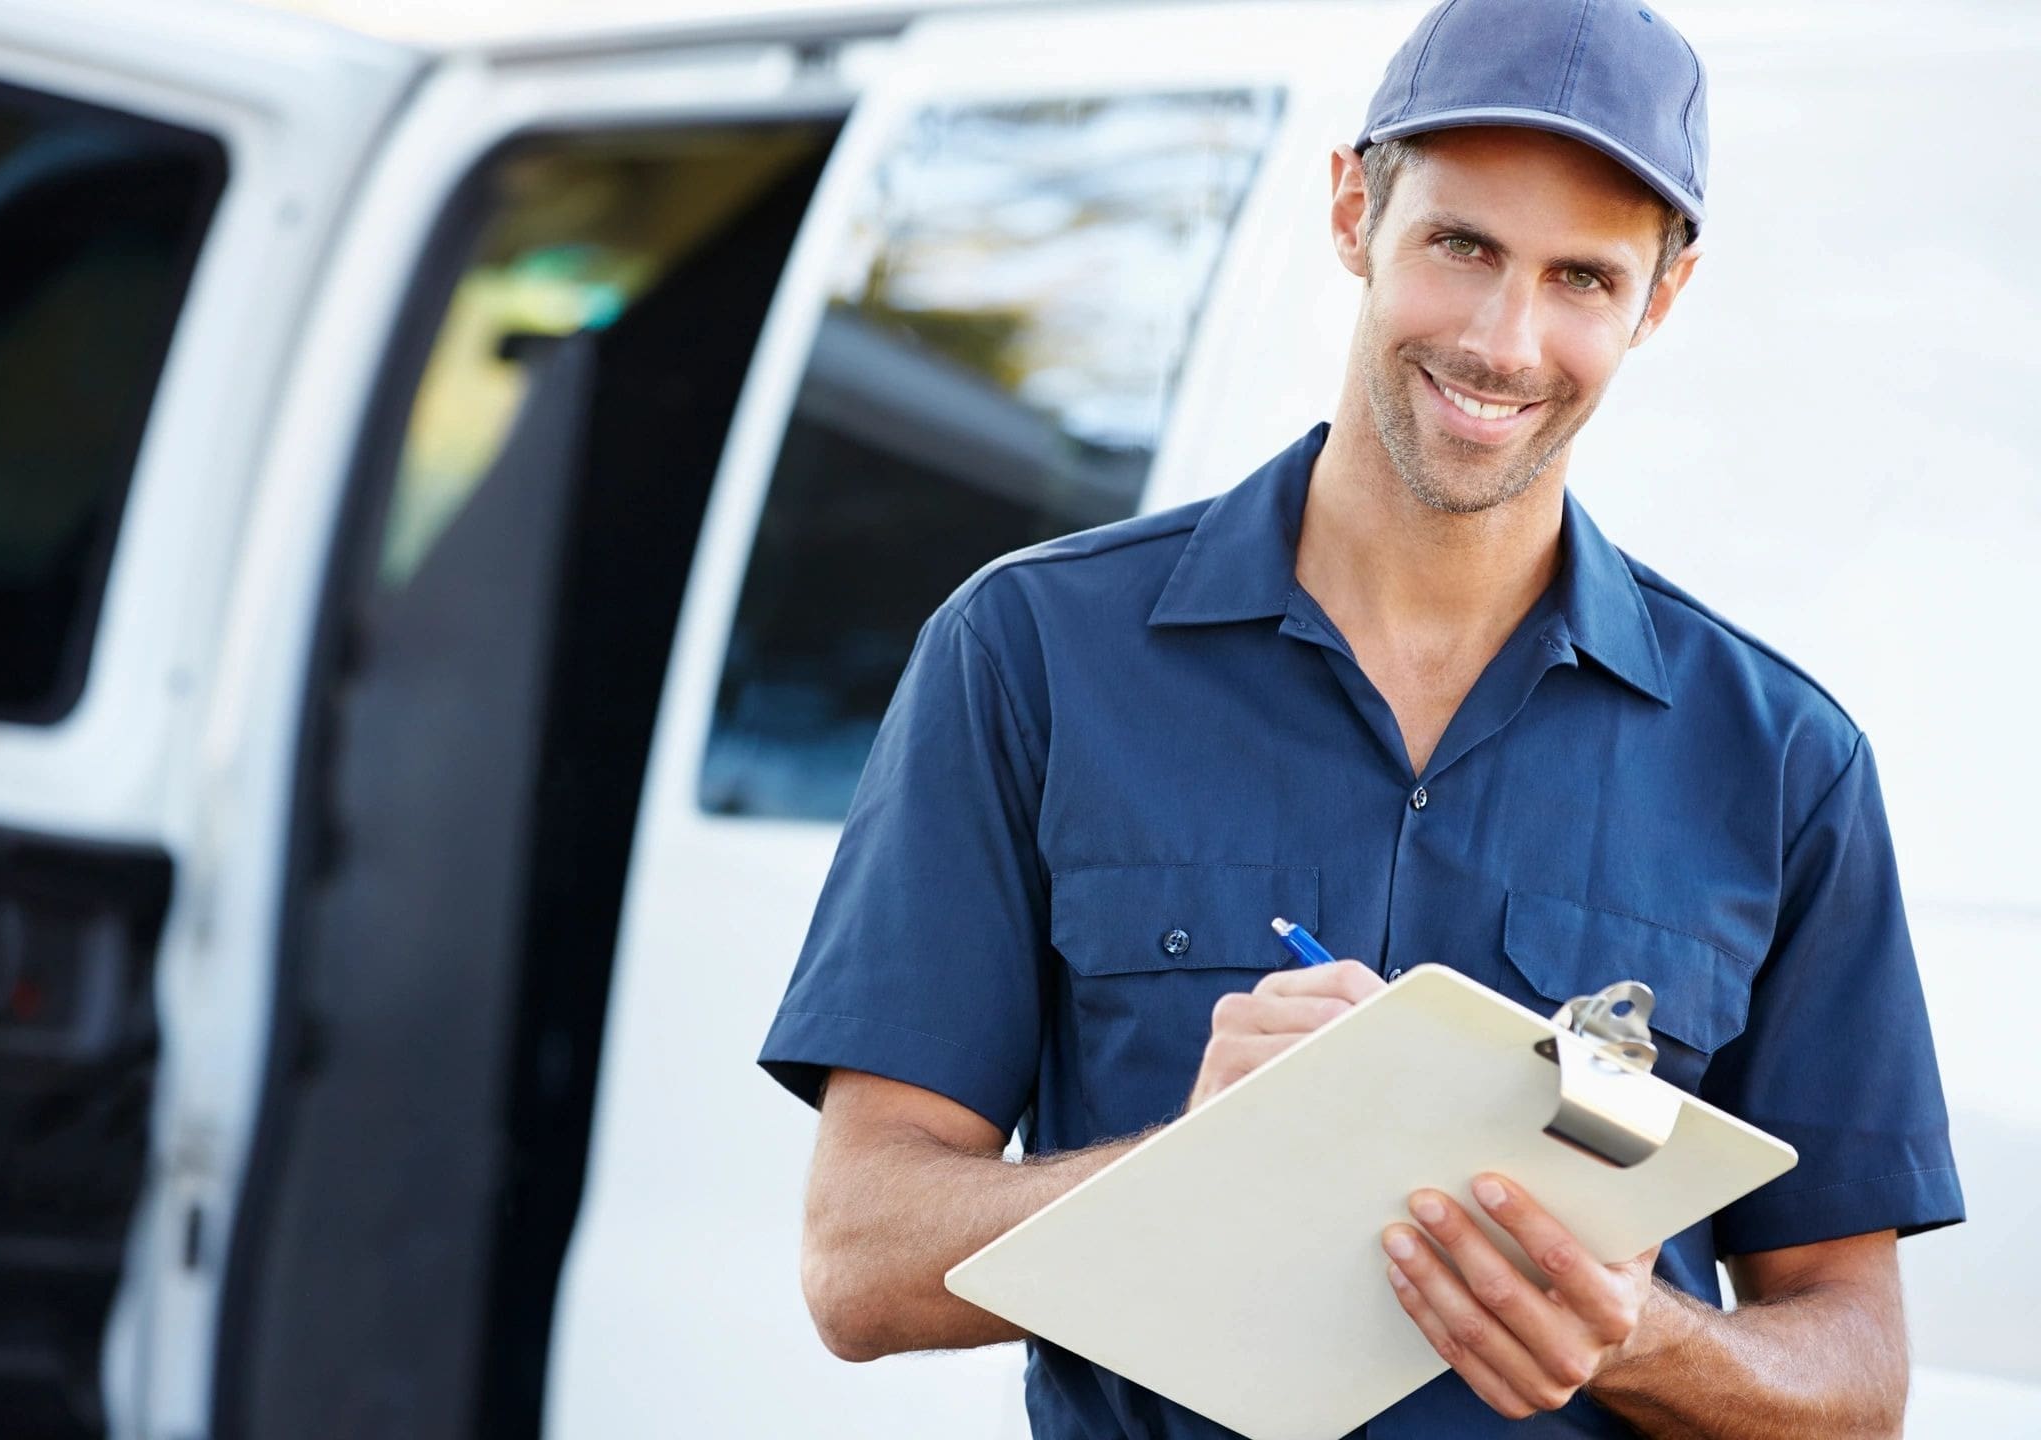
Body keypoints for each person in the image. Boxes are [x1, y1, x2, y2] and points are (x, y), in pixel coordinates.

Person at [756, 0, 1965, 1433]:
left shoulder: (1781, 766)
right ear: (1354, 210)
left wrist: (1633, 1337)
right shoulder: (1028, 655)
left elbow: (1856, 1379)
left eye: (1583, 276)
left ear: (1661, 300)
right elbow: (858, 1260)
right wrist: (1189, 1172)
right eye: (1462, 247)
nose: (1506, 341)